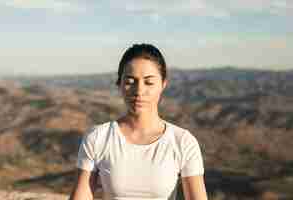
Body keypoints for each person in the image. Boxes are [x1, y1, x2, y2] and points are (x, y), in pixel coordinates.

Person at [69, 43, 208, 200]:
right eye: (130, 81)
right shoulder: (98, 138)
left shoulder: (183, 142)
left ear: (163, 84)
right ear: (119, 84)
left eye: (149, 82)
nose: (139, 91)